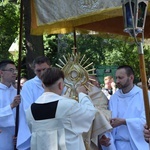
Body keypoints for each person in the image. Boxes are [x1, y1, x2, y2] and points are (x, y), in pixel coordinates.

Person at [25, 67, 97, 150]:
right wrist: (82, 94)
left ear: (42, 85)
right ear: (60, 85)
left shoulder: (30, 110)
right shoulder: (67, 105)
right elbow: (90, 113)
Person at [100, 65, 149, 150]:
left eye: (120, 78)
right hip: (117, 145)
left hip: (137, 145)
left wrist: (125, 122)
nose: (117, 81)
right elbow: (108, 120)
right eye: (116, 78)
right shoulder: (114, 98)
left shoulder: (145, 96)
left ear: (131, 78)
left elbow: (146, 122)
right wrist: (104, 137)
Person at [17, 56, 51, 150]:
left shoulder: (57, 82)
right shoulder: (28, 85)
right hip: (36, 128)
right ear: (34, 71)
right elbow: (28, 109)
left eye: (44, 69)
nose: (42, 73)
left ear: (50, 67)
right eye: (38, 71)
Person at [83, 75, 112, 150]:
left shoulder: (99, 96)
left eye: (93, 83)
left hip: (93, 137)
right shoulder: (72, 95)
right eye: (88, 82)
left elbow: (104, 115)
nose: (90, 86)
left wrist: (101, 135)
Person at [0, 60, 21, 150]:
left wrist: (21, 135)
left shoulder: (18, 92)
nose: (14, 73)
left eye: (15, 71)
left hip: (15, 137)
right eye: (11, 70)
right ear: (1, 73)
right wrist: (11, 106)